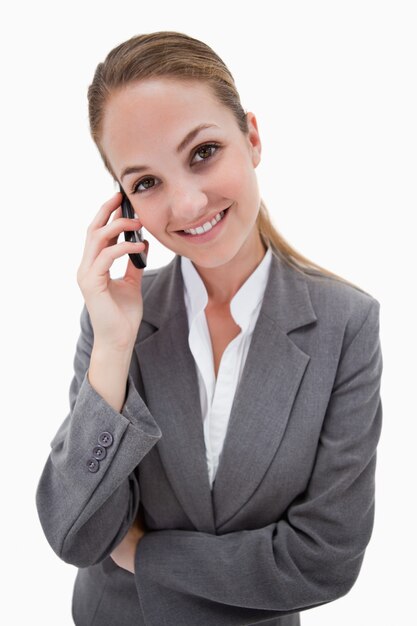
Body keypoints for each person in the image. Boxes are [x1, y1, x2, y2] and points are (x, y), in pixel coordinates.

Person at [36, 31, 383, 626]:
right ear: (124, 205)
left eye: (202, 153)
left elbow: (324, 560)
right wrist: (115, 347)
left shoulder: (345, 324)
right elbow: (76, 535)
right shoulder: (119, 323)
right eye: (146, 183)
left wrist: (144, 553)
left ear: (251, 137)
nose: (189, 204)